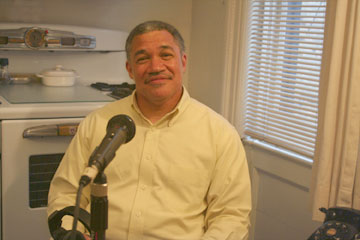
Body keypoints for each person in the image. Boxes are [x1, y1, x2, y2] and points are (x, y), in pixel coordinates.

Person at [47, 20, 252, 240]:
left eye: (166, 55)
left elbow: (231, 217)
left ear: (183, 61)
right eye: (143, 58)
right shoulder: (98, 123)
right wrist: (73, 234)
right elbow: (66, 193)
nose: (155, 67)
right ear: (130, 70)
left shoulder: (220, 134)